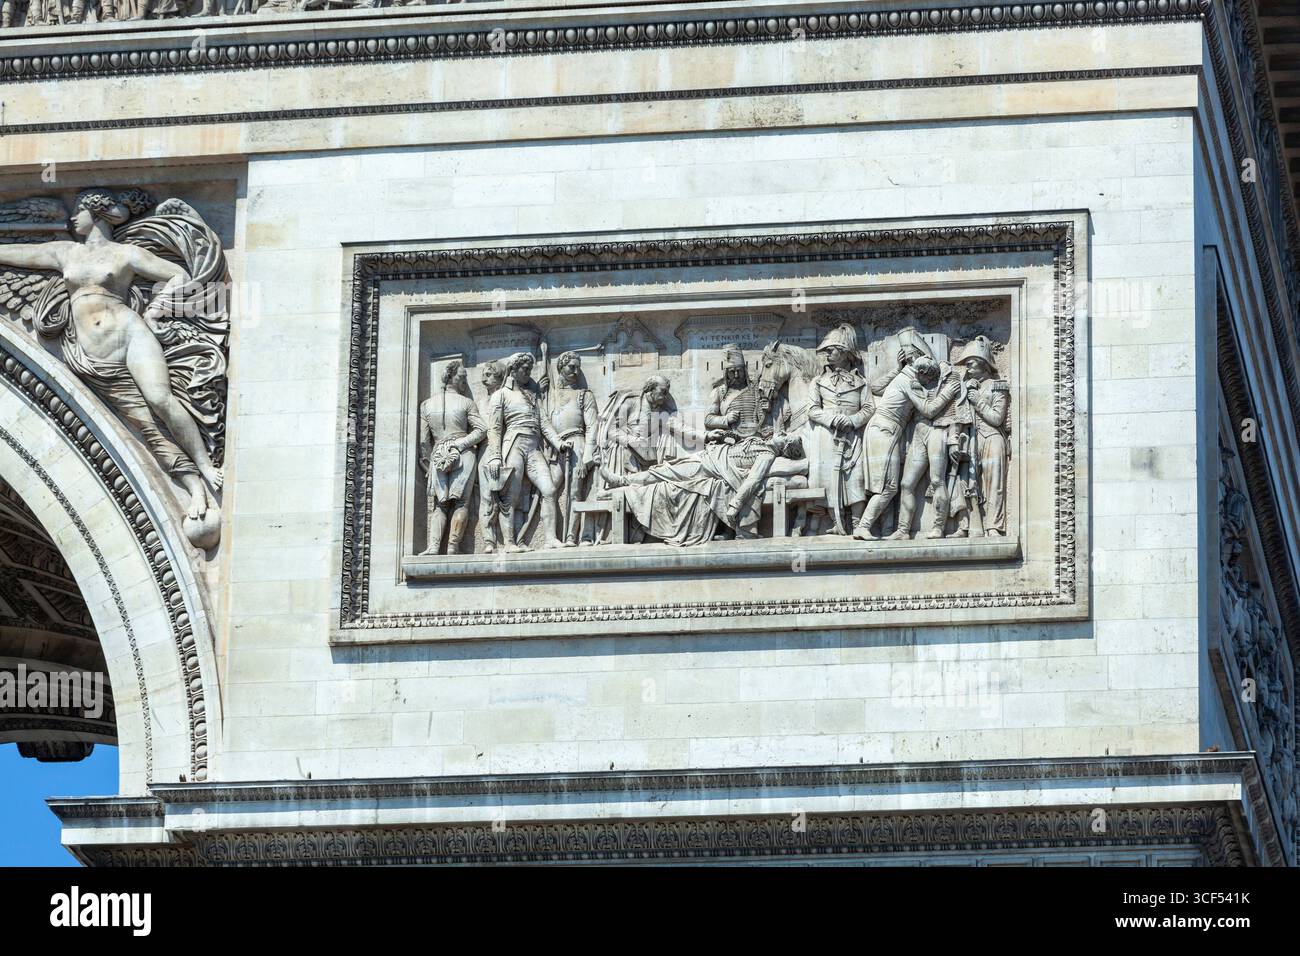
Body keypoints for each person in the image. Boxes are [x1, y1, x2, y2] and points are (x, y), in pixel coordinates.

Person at [0, 188, 223, 524]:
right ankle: (192, 484)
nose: (73, 217)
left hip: (130, 331)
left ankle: (204, 465)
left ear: (98, 213)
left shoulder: (126, 254)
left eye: (79, 210)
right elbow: (15, 253)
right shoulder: (65, 253)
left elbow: (180, 275)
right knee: (144, 424)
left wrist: (159, 308)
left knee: (161, 399)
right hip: (93, 354)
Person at [600, 434, 806, 547]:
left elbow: (752, 481)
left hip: (712, 468)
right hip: (711, 455)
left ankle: (621, 483)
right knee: (664, 471)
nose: (782, 434)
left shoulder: (767, 456)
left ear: (784, 448)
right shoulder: (759, 440)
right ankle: (621, 481)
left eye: (785, 438)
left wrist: (735, 505)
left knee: (665, 474)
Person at [853, 344, 961, 540]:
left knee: (902, 484)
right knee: (890, 486)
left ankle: (912, 529)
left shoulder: (904, 376)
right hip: (885, 430)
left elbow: (876, 387)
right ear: (922, 372)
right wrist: (947, 394)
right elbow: (928, 410)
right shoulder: (910, 380)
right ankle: (866, 526)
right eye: (929, 378)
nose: (930, 382)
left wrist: (897, 369)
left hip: (886, 430)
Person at [483, 352, 566, 551]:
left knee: (549, 490)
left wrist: (558, 443)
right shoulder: (500, 395)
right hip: (514, 444)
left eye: (529, 369)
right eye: (525, 369)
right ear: (513, 370)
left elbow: (544, 423)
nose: (529, 372)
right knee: (510, 496)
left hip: (533, 447)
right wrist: (495, 457)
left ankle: (550, 539)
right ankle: (510, 543)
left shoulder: (532, 396)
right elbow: (494, 429)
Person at [805, 323, 873, 534]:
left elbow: (869, 408)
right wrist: (832, 419)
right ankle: (836, 522)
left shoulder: (860, 382)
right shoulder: (818, 382)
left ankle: (857, 523)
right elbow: (812, 409)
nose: (827, 355)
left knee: (855, 477)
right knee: (827, 476)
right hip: (826, 435)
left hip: (852, 436)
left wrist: (852, 421)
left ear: (844, 353)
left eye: (831, 350)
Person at [417, 362, 486, 555]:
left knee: (441, 504)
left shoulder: (427, 405)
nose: (464, 381)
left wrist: (429, 463)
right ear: (450, 377)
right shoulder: (466, 402)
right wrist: (462, 444)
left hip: (438, 453)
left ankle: (434, 547)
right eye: (461, 377)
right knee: (461, 503)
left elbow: (424, 441)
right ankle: (452, 547)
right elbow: (482, 429)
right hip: (463, 452)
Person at [952, 335, 1010, 537]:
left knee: (994, 484)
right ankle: (966, 524)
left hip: (993, 438)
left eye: (970, 364)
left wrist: (978, 402)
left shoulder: (997, 386)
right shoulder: (966, 388)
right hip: (972, 440)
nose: (967, 369)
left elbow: (996, 418)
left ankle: (993, 525)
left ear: (983, 364)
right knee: (963, 477)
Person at [543, 350, 597, 547]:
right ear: (560, 368)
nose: (575, 371)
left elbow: (592, 426)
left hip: (578, 444)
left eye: (578, 367)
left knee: (575, 492)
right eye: (571, 367)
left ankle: (571, 536)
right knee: (549, 489)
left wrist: (587, 455)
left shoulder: (584, 396)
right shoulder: (550, 395)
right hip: (556, 448)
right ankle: (550, 537)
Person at [474, 361, 505, 553]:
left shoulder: (506, 397)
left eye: (489, 375)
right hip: (485, 450)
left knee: (507, 496)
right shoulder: (480, 403)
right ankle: (489, 540)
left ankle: (511, 538)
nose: (483, 378)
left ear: (500, 377)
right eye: (483, 374)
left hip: (506, 448)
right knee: (486, 496)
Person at [705, 344, 763, 441]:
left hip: (756, 437)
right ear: (726, 373)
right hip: (732, 438)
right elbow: (708, 419)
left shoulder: (756, 390)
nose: (736, 375)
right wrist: (726, 419)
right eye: (732, 372)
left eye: (739, 371)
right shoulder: (719, 392)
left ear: (744, 371)